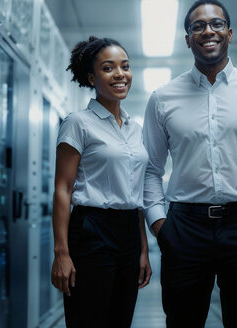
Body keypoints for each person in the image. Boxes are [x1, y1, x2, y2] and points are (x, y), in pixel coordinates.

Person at [143, 0, 237, 327]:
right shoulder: (162, 99)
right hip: (184, 228)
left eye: (216, 24)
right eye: (198, 26)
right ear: (188, 39)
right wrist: (159, 226)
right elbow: (150, 169)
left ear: (229, 33)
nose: (207, 31)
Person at [51, 36, 151, 328]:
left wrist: (143, 250)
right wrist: (61, 253)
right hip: (92, 231)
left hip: (130, 232)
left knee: (121, 320)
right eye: (108, 68)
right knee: (89, 319)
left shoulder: (136, 129)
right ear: (91, 77)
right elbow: (62, 189)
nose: (120, 74)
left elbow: (136, 193)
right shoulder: (78, 123)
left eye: (125, 66)